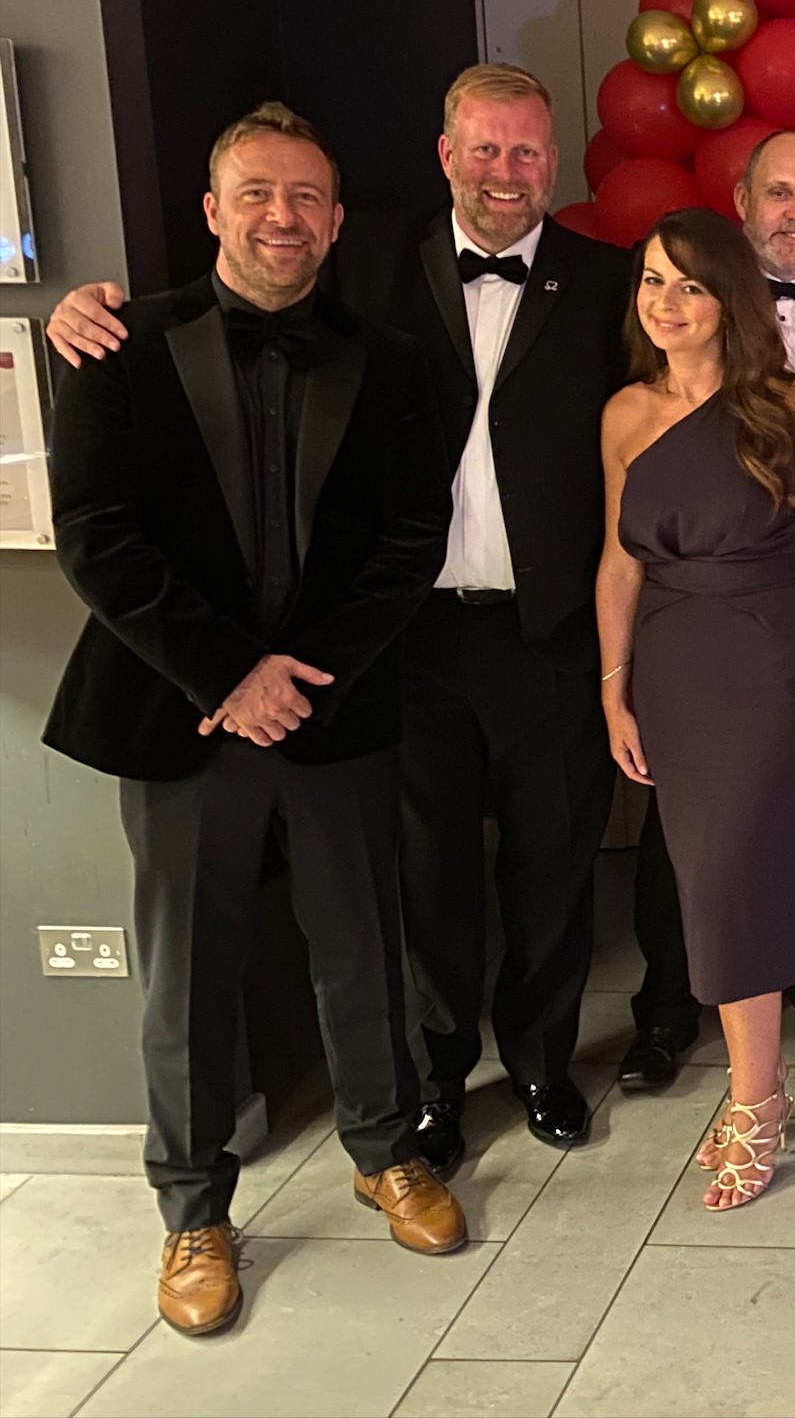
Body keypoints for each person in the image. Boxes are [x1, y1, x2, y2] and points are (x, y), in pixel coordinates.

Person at [46, 64, 630, 1172]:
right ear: (444, 153)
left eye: (527, 152)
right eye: (485, 148)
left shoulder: (610, 285)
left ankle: (545, 1064)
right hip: (396, 644)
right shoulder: (356, 261)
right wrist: (82, 304)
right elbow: (206, 336)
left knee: (551, 867)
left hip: (545, 631)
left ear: (554, 163)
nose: (506, 172)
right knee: (423, 881)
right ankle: (435, 1087)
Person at [44, 103, 466, 1336]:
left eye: (307, 200)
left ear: (335, 222)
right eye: (259, 195)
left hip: (331, 710)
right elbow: (97, 540)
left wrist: (302, 673)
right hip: (177, 713)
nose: (284, 218)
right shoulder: (115, 343)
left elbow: (408, 541)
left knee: (361, 946)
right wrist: (230, 674)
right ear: (215, 209)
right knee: (186, 971)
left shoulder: (388, 357)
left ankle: (387, 1149)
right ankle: (190, 1208)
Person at [597, 210, 795, 1210]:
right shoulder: (625, 415)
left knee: (736, 879)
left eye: (688, 284)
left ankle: (754, 1098)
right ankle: (753, 1087)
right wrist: (613, 687)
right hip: (674, 675)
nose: (667, 303)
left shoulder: (788, 403)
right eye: (652, 282)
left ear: (729, 296)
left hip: (771, 660)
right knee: (702, 879)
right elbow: (617, 562)